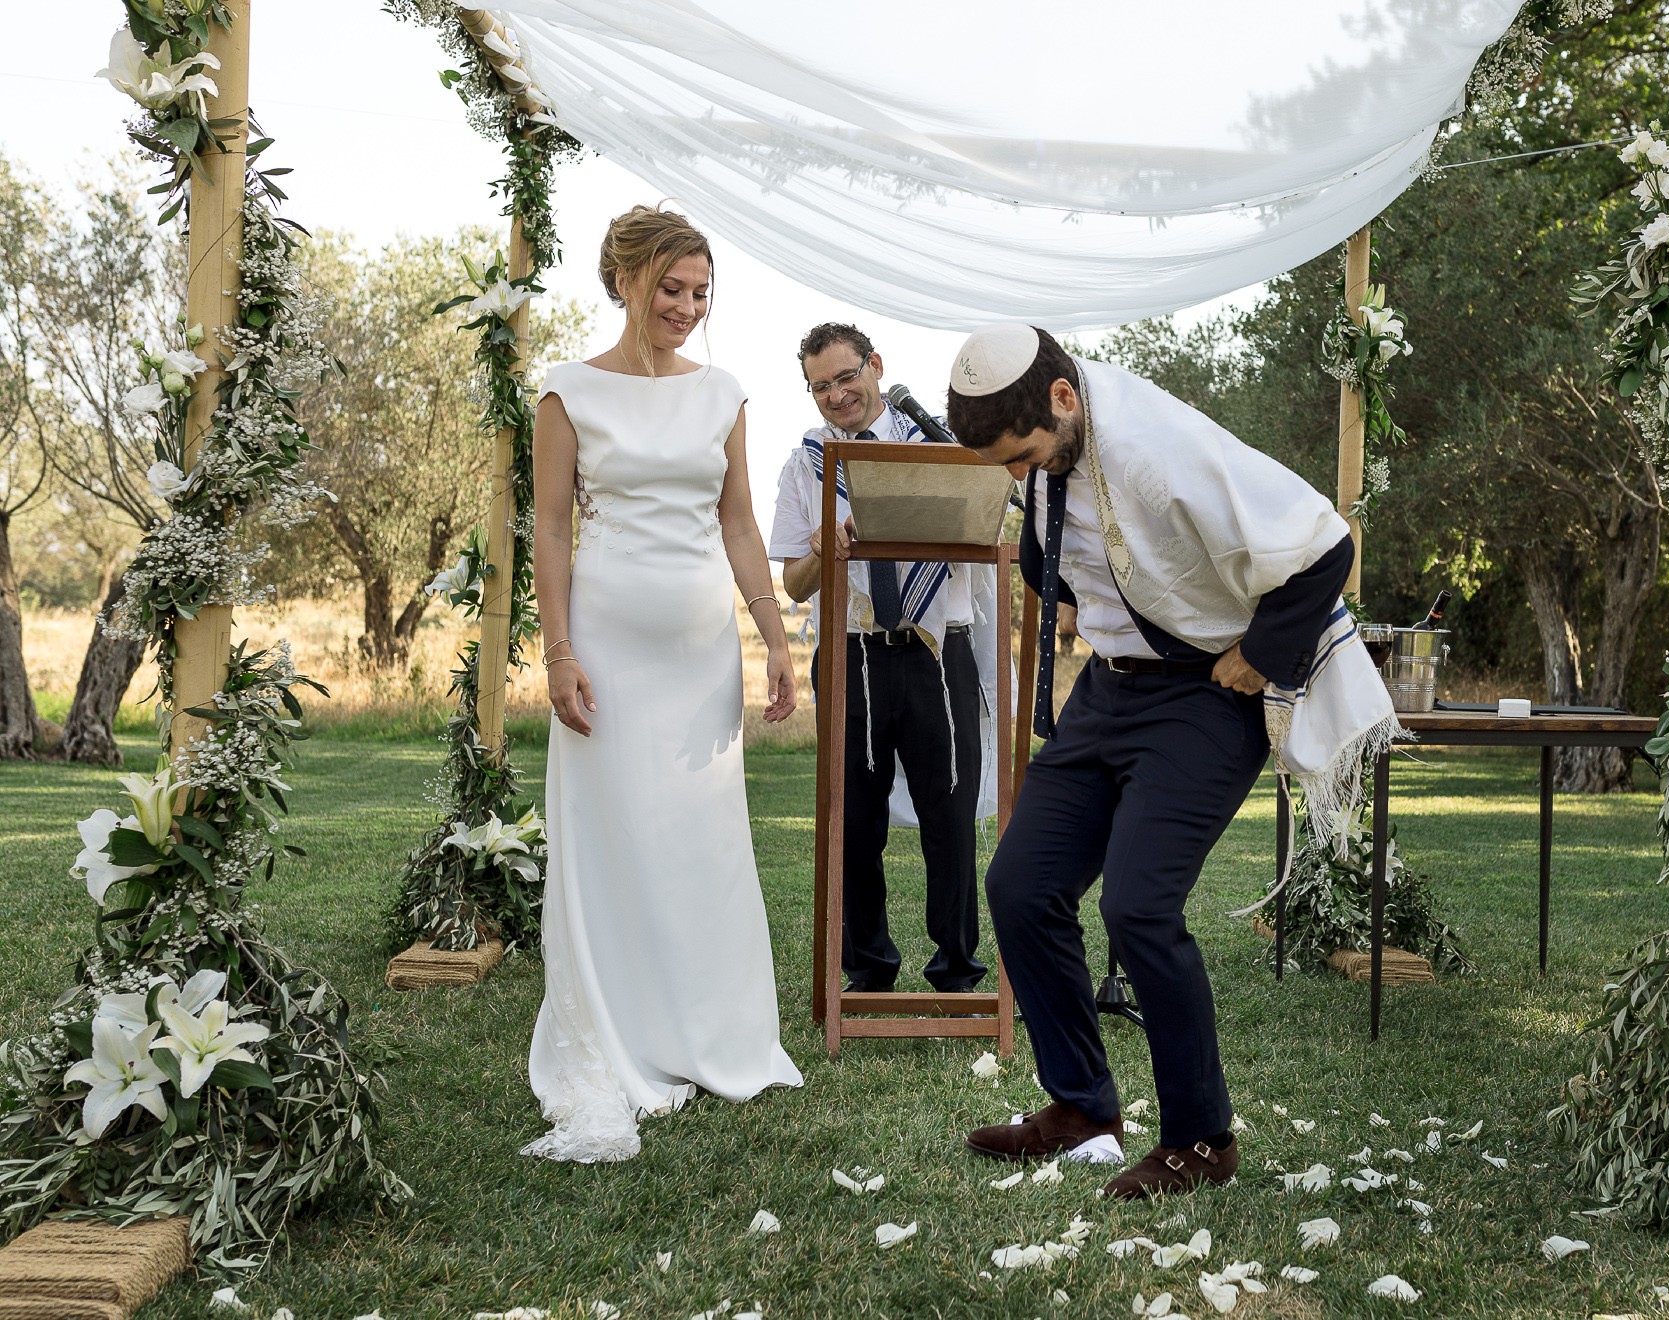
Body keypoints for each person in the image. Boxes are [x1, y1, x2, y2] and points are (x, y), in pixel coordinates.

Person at [946, 325, 1394, 1198]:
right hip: (1108, 693)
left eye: (1023, 454)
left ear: (1063, 399)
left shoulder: (1159, 445)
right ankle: (1081, 1108)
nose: (1020, 475)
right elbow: (1059, 555)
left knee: (1141, 908)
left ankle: (1201, 1141)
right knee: (1021, 886)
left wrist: (1262, 652)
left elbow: (1327, 543)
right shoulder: (1051, 450)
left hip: (1202, 696)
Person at [524, 205, 803, 1162]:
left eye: (699, 292)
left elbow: (738, 527)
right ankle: (617, 1034)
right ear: (625, 282)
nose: (687, 307)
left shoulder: (723, 394)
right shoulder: (567, 394)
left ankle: (711, 1032)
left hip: (698, 655)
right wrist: (558, 652)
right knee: (615, 837)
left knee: (698, 839)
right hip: (604, 643)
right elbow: (551, 530)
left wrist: (774, 636)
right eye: (670, 290)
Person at [768, 323, 992, 995]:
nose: (836, 396)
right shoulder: (806, 463)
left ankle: (956, 970)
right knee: (854, 823)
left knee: (948, 819)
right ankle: (868, 967)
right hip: (852, 653)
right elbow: (796, 584)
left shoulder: (942, 447)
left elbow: (985, 535)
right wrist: (824, 549)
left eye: (846, 377)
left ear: (876, 367)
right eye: (820, 386)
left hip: (935, 651)